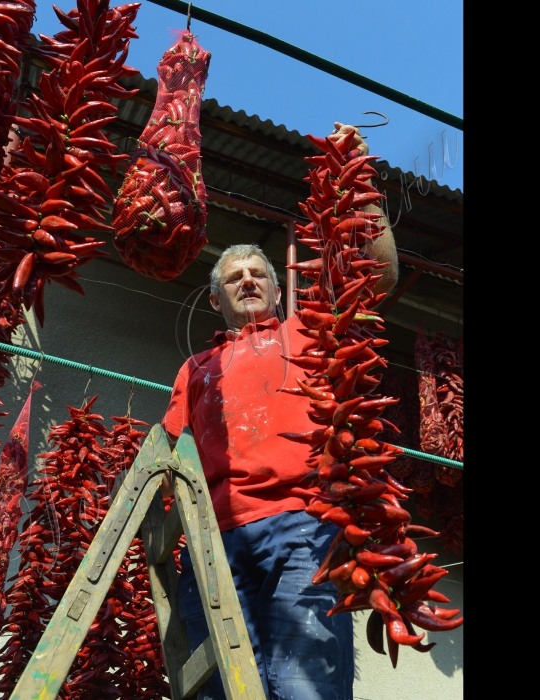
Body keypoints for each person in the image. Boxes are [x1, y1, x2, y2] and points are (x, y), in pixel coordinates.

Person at [161, 124, 398, 700]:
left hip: (304, 527)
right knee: (218, 689)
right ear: (215, 298)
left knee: (303, 684)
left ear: (277, 288)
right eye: (234, 278)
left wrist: (360, 181)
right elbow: (170, 455)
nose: (248, 281)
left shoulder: (309, 331)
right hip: (215, 540)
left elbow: (379, 277)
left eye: (258, 274)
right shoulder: (196, 367)